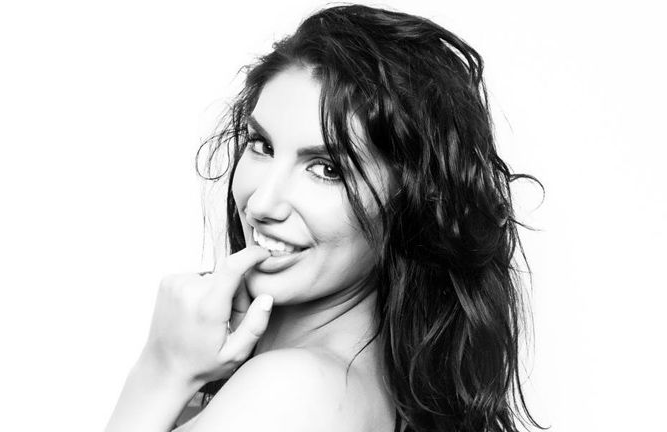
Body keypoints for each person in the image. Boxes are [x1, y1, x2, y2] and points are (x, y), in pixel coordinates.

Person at [106, 4, 542, 432]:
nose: (262, 204)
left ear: (409, 205)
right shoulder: (341, 384)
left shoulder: (291, 390)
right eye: (262, 145)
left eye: (327, 169)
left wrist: (161, 371)